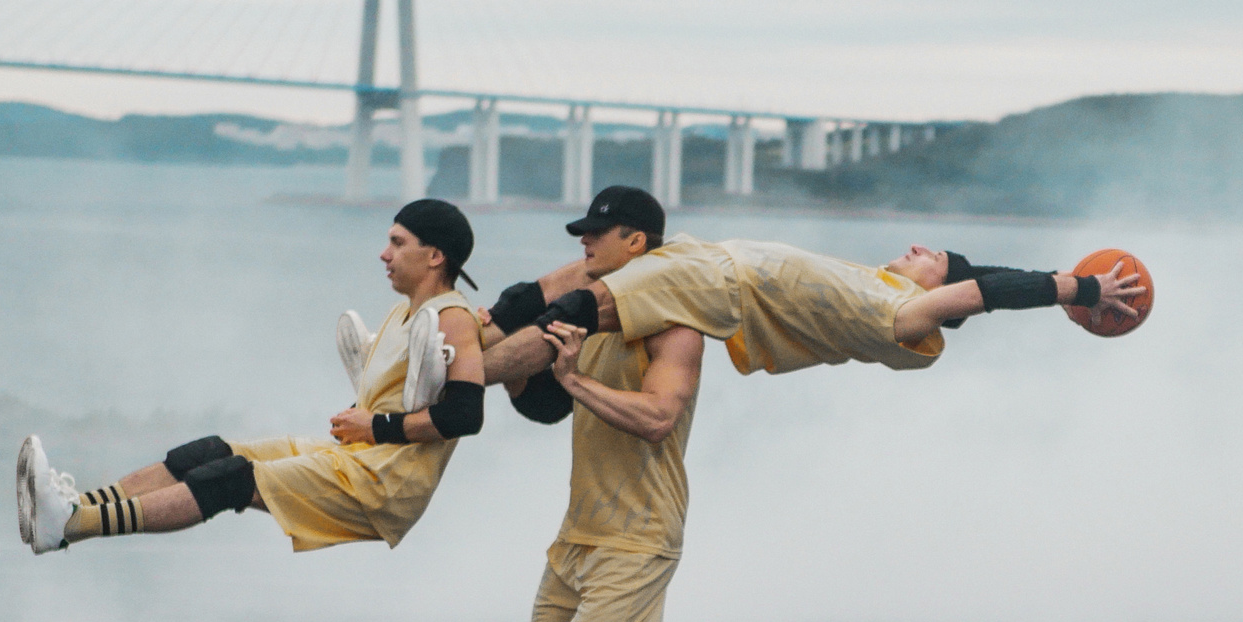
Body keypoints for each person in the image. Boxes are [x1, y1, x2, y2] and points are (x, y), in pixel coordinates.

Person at [14, 200, 487, 556]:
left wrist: (375, 427)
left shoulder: (452, 318)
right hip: (357, 456)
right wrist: (365, 419)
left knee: (231, 481)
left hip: (384, 484)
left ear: (434, 257)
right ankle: (75, 505)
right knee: (208, 454)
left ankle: (72, 526)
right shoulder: (404, 314)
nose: (383, 254)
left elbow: (466, 414)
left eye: (398, 243)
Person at [489, 194, 704, 622]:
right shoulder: (590, 315)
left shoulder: (676, 324)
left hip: (641, 529)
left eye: (595, 234)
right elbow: (547, 408)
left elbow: (656, 418)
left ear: (636, 241)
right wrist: (512, 368)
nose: (583, 244)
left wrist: (575, 380)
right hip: (581, 526)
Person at [473, 185, 1145, 390]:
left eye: (932, 255)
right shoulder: (875, 284)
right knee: (582, 270)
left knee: (584, 308)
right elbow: (983, 277)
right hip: (712, 267)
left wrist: (1080, 287)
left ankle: (460, 382)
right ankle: (474, 338)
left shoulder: (904, 320)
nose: (917, 247)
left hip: (723, 287)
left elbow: (981, 292)